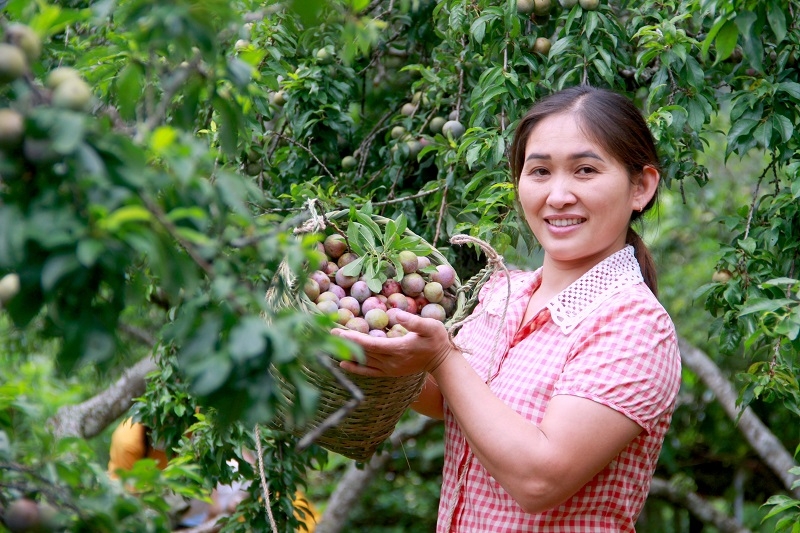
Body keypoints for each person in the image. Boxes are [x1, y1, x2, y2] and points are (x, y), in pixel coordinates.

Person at [332, 85, 682, 532]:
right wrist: (372, 350)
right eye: (539, 172)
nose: (558, 195)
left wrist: (441, 357)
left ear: (641, 187)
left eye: (585, 170)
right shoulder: (504, 292)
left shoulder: (635, 325)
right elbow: (450, 401)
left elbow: (540, 479)